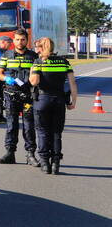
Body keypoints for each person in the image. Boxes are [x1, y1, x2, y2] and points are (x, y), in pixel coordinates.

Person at [29, 37, 78, 174]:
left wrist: (33, 68)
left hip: (42, 100)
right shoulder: (64, 62)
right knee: (57, 133)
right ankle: (56, 163)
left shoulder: (38, 62)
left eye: (37, 47)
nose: (35, 50)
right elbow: (73, 83)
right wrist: (73, 102)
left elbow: (34, 82)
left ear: (41, 48)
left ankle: (45, 163)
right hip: (59, 100)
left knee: (43, 132)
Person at [0, 28, 39, 166]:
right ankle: (10, 153)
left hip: (28, 96)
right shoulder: (6, 55)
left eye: (23, 39)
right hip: (10, 94)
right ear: (13, 41)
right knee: (11, 124)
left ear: (27, 40)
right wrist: (6, 79)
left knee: (29, 126)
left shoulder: (33, 56)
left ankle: (30, 154)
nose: (20, 42)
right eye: (17, 39)